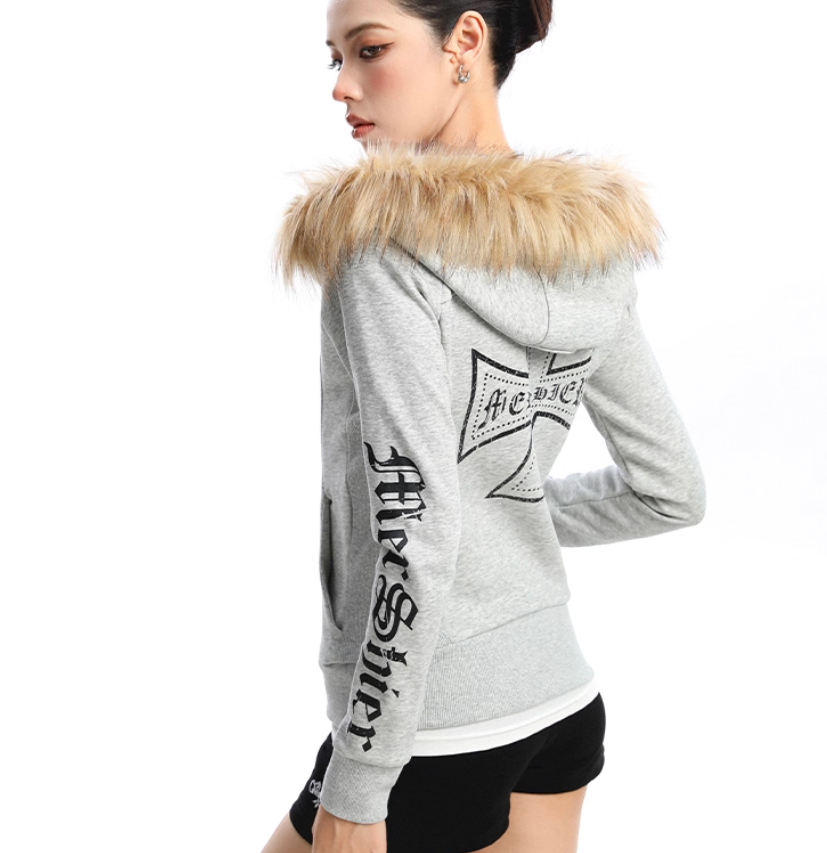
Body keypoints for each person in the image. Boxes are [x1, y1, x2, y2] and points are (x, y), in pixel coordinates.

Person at [264, 1, 706, 851]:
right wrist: (492, 519)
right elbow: (670, 491)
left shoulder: (381, 244)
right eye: (333, 58)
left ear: (465, 40)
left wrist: (360, 780)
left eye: (370, 50)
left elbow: (415, 528)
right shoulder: (588, 243)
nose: (342, 86)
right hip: (561, 700)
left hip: (430, 731)